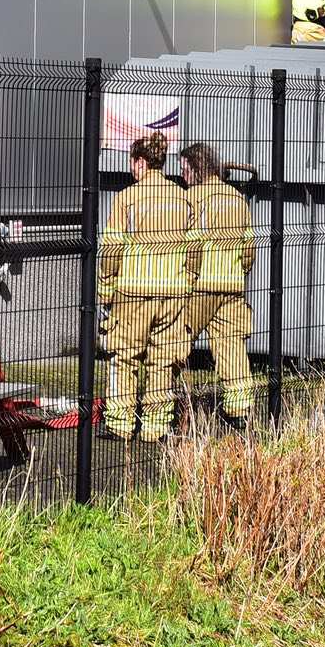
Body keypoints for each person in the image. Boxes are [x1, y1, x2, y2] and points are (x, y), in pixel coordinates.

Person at [98, 131, 195, 442]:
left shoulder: (127, 197)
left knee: (123, 357)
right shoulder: (183, 197)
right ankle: (155, 427)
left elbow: (111, 248)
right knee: (163, 359)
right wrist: (188, 281)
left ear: (140, 162)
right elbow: (196, 249)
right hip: (173, 293)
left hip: (133, 292)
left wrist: (105, 288)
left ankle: (120, 424)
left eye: (132, 161)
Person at [178, 142, 256, 429]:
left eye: (184, 170)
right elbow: (249, 248)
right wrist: (239, 272)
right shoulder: (237, 199)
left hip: (199, 286)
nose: (183, 176)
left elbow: (191, 247)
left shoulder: (191, 198)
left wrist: (185, 277)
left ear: (196, 169)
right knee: (231, 347)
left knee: (174, 343)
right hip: (232, 285)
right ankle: (240, 412)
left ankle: (159, 408)